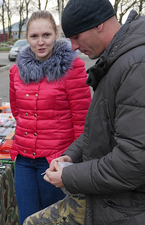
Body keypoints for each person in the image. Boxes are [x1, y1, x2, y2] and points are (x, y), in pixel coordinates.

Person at [24, 0, 145, 224]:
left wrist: (69, 176)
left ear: (98, 25)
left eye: (76, 37)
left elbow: (133, 163)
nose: (73, 47)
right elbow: (102, 128)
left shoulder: (136, 65)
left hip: (127, 206)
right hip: (114, 198)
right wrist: (73, 154)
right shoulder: (118, 60)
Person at [9, 10, 91, 224]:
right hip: (24, 159)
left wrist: (74, 162)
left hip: (56, 161)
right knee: (26, 219)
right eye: (34, 36)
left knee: (54, 219)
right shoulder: (16, 72)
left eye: (46, 35)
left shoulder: (73, 68)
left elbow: (82, 122)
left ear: (56, 33)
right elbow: (18, 112)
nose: (40, 42)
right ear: (26, 38)